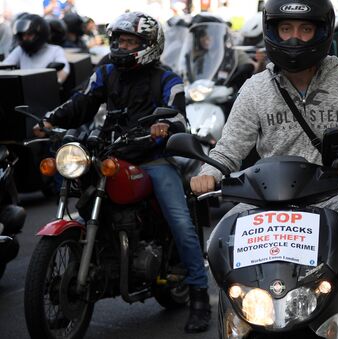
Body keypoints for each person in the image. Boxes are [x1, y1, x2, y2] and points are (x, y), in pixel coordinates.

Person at [189, 0, 338, 337]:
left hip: (333, 194)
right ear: (273, 30)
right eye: (286, 28)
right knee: (217, 248)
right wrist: (209, 171)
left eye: (305, 29)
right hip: (264, 198)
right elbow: (230, 147)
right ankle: (239, 325)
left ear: (321, 31)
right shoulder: (255, 88)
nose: (295, 39)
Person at [31, 11, 211, 334]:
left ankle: (199, 296)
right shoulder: (107, 73)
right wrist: (50, 120)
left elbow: (179, 116)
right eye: (121, 41)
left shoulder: (167, 79)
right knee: (82, 199)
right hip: (111, 155)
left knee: (181, 221)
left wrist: (164, 126)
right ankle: (77, 290)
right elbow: (81, 101)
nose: (123, 47)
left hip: (153, 159)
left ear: (149, 46)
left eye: (131, 42)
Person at [1, 13, 70, 83]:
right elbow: (5, 67)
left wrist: (55, 82)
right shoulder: (20, 51)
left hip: (45, 89)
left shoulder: (55, 50)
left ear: (41, 33)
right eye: (23, 35)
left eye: (29, 34)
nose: (25, 38)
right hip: (25, 89)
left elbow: (64, 71)